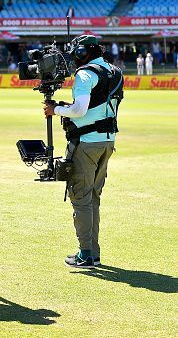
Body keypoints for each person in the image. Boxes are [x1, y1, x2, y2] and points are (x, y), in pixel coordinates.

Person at [43, 34, 123, 268]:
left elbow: (79, 109)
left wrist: (55, 109)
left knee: (81, 198)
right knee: (93, 198)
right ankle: (93, 253)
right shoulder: (115, 71)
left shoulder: (85, 73)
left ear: (81, 53)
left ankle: (86, 254)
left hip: (86, 143)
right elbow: (98, 106)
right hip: (108, 141)